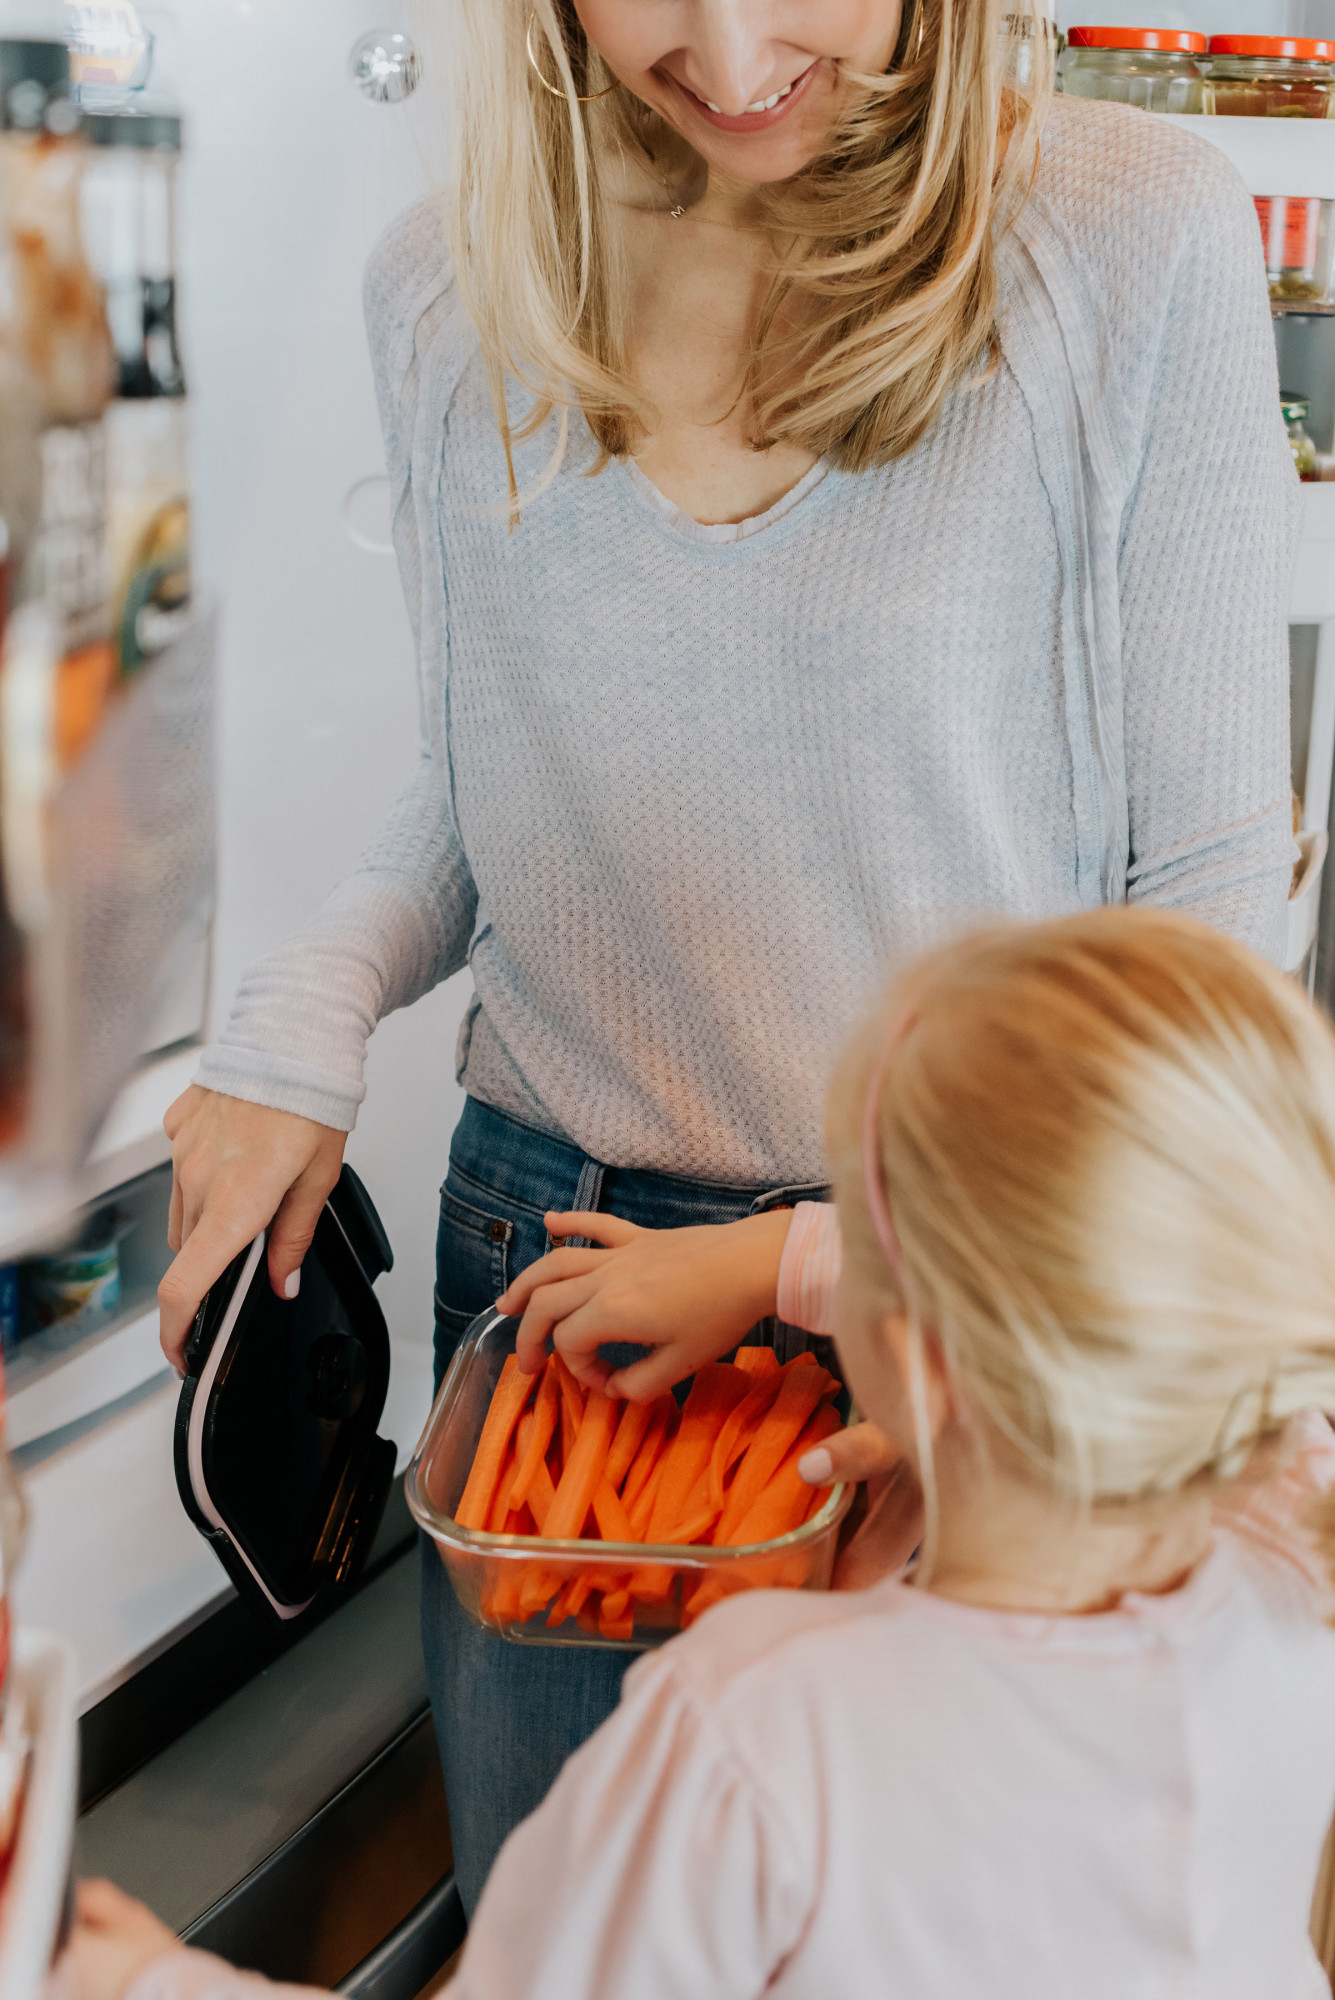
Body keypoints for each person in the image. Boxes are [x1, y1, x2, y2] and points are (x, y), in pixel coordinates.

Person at [156, 0, 1298, 1910]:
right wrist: (294, 1029)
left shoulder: (1128, 230)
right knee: (565, 1912)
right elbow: (476, 787)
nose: (732, 44)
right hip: (567, 1284)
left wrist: (836, 1261)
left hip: (976, 1307)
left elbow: (1208, 908)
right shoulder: (448, 290)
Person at [73, 910, 1335, 1996]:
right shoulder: (1292, 1563)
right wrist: (778, 1261)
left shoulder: (756, 1727)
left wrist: (155, 1977)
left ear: (927, 1359)